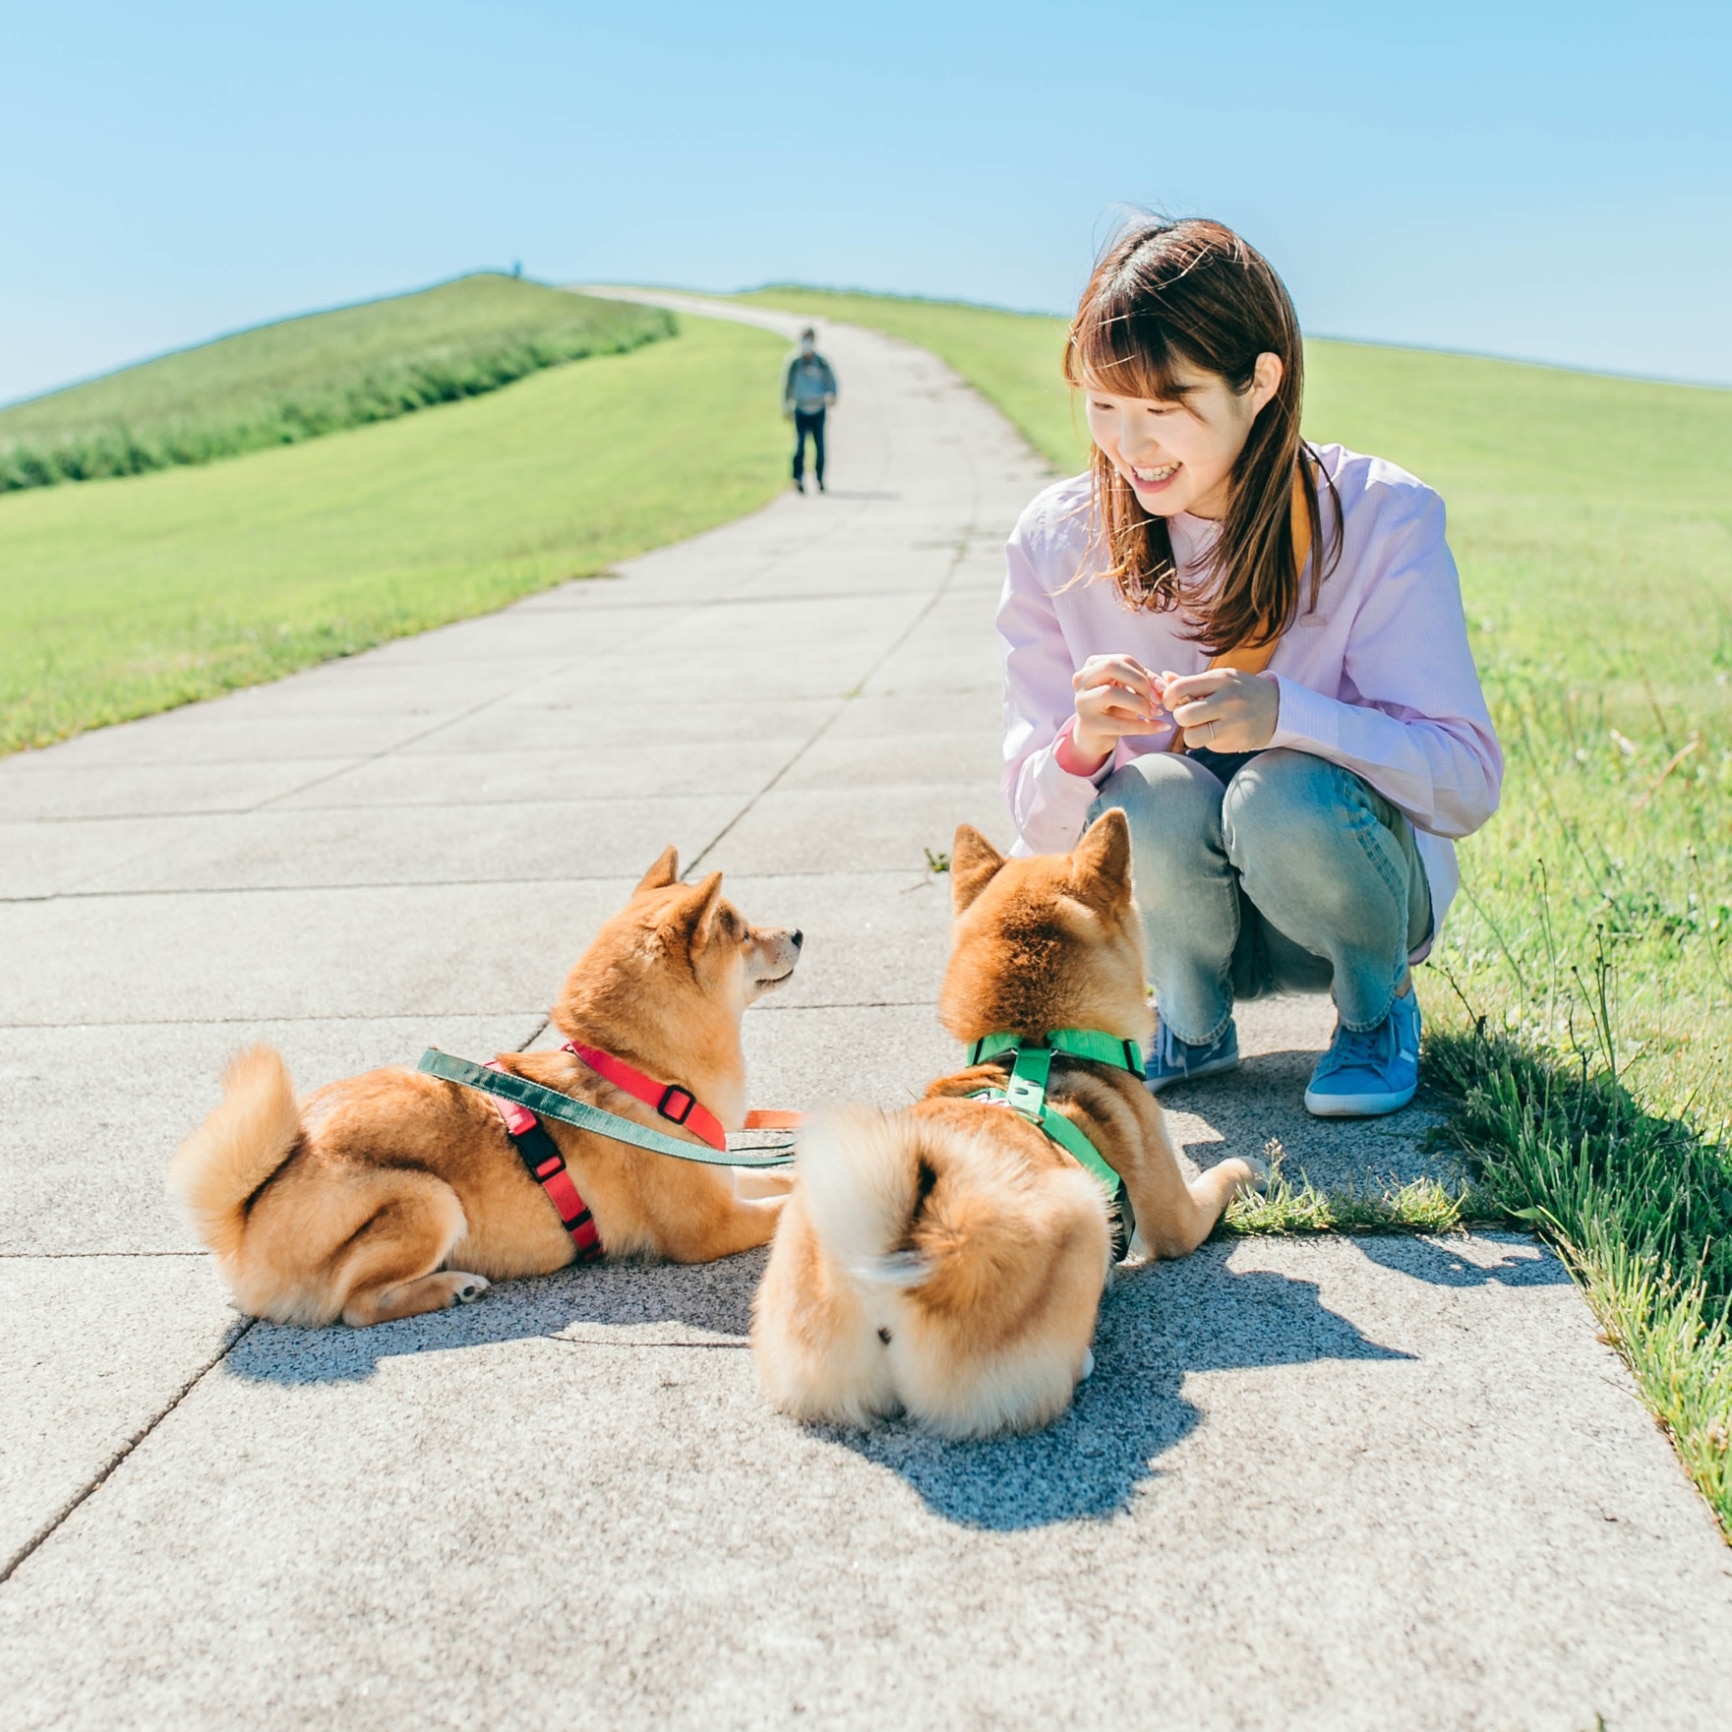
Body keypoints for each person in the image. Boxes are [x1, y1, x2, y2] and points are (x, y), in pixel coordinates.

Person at [998, 218, 1501, 1118]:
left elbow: (1466, 785)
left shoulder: (1380, 516)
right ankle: (1189, 1020)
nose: (1130, 445)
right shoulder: (1057, 538)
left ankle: (1374, 1011)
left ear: (1260, 381)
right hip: (1182, 913)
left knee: (1280, 792)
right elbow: (1039, 832)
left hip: (1353, 887)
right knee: (1143, 790)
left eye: (1167, 407)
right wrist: (1080, 746)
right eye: (1104, 405)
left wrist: (1289, 716)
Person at [782, 327, 837, 492]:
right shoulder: (794, 363)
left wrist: (833, 395)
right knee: (800, 446)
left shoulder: (821, 362)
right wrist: (786, 407)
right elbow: (787, 386)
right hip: (800, 409)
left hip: (818, 409)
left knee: (820, 447)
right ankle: (797, 478)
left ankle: (820, 479)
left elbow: (831, 382)